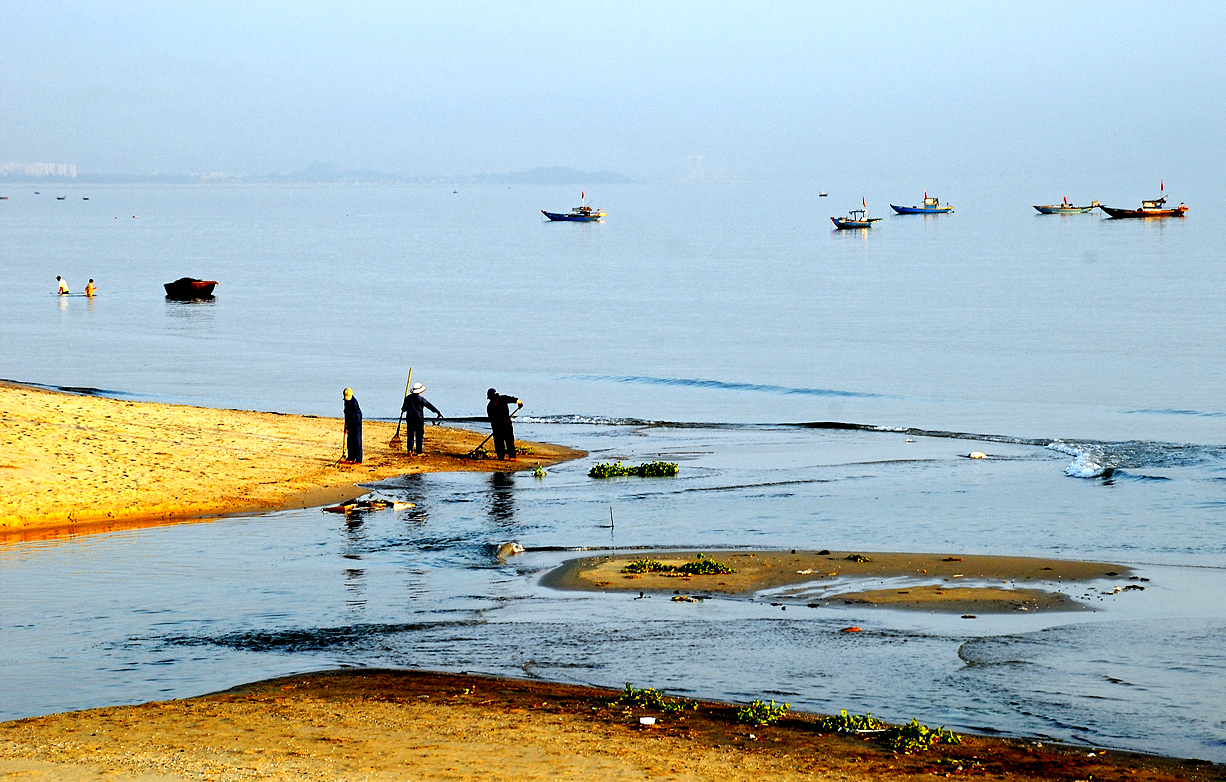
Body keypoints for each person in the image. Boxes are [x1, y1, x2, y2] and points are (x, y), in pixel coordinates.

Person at [400, 381, 442, 456]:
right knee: (419, 435)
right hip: (418, 420)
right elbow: (429, 405)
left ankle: (410, 450)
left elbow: (404, 409)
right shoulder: (421, 399)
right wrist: (437, 411)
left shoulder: (408, 398)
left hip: (410, 419)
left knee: (410, 435)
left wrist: (404, 406)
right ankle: (419, 451)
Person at [486, 388, 523, 461]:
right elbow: (515, 400)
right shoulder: (493, 404)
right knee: (506, 441)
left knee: (503, 442)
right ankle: (508, 457)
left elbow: (514, 400)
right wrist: (520, 403)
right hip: (503, 424)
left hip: (501, 425)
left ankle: (503, 456)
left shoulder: (491, 405)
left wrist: (519, 403)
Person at [342, 388, 362, 464]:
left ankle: (358, 459)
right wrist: (346, 426)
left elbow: (354, 417)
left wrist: (349, 427)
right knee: (350, 441)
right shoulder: (346, 402)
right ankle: (350, 457)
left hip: (356, 423)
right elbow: (347, 414)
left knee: (356, 441)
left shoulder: (354, 403)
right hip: (350, 422)